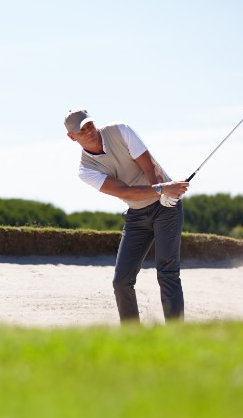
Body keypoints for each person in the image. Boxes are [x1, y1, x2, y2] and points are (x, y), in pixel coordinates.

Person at [64, 109, 190, 323]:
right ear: (72, 137)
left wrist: (163, 194)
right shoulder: (85, 170)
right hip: (137, 215)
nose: (89, 131)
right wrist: (161, 190)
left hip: (166, 208)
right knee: (121, 281)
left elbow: (149, 165)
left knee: (167, 272)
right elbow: (124, 191)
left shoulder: (120, 131)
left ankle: (176, 334)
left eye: (90, 125)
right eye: (82, 130)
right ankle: (132, 335)